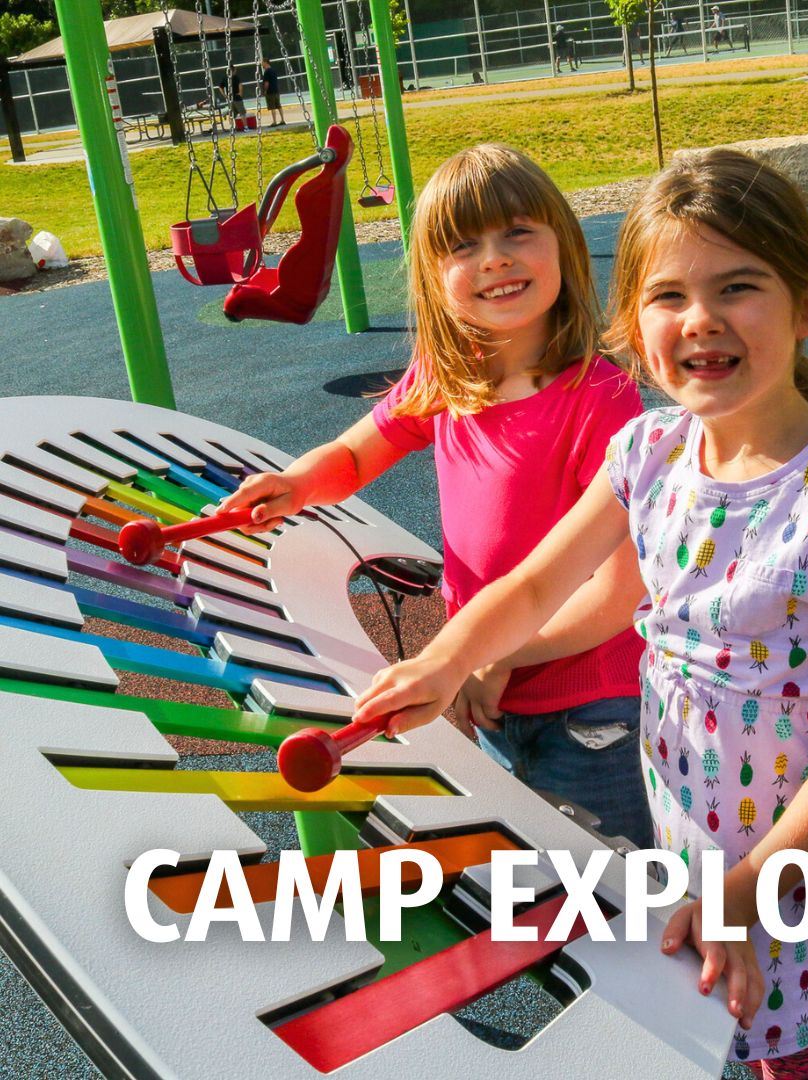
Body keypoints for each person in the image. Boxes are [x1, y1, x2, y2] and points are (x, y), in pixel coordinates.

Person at [351, 148, 808, 1073]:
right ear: (632, 323)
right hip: (680, 852)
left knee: (800, 1055)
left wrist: (745, 894)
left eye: (738, 287)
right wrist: (447, 661)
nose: (700, 321)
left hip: (789, 891)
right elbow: (538, 586)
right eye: (668, 296)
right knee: (681, 1044)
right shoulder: (649, 453)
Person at [218, 144, 652, 850]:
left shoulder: (600, 400)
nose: (494, 259)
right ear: (433, 275)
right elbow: (358, 452)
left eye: (518, 232)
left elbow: (616, 593)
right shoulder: (451, 378)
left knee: (608, 889)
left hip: (591, 705)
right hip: (485, 682)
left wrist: (493, 657)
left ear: (564, 246)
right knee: (522, 872)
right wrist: (298, 483)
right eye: (463, 245)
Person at [260, 59, 285, 127]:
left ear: (266, 63)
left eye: (262, 63)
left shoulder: (267, 72)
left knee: (272, 107)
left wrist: (265, 91)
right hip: (276, 90)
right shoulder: (273, 70)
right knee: (278, 105)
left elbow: (266, 83)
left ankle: (274, 121)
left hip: (270, 91)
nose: (261, 64)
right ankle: (282, 119)